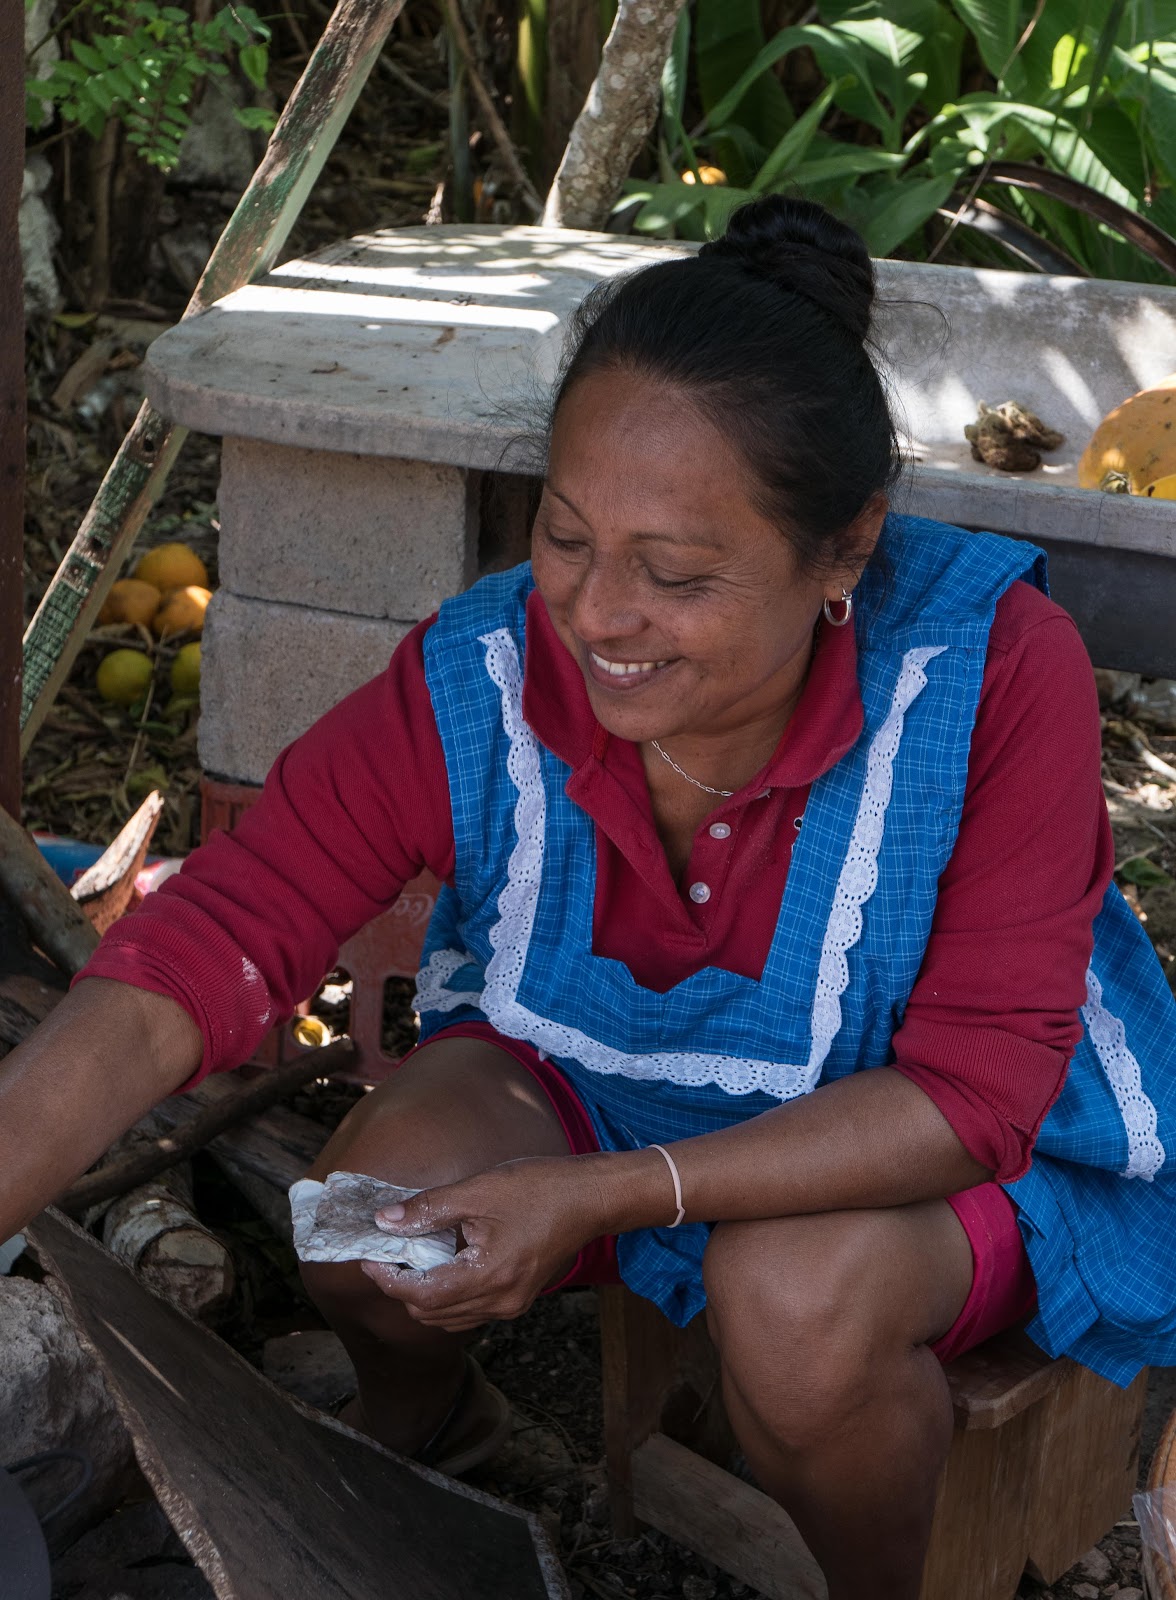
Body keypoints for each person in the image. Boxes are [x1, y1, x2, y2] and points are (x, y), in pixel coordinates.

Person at [3, 196, 1175, 1600]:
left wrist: (600, 1197)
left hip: (946, 1142)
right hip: (606, 1084)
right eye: (567, 539)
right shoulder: (487, 668)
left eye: (675, 575)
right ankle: (432, 1434)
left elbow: (977, 1093)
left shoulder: (989, 673)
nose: (597, 616)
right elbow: (219, 936)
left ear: (848, 550)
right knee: (364, 1217)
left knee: (790, 1301)